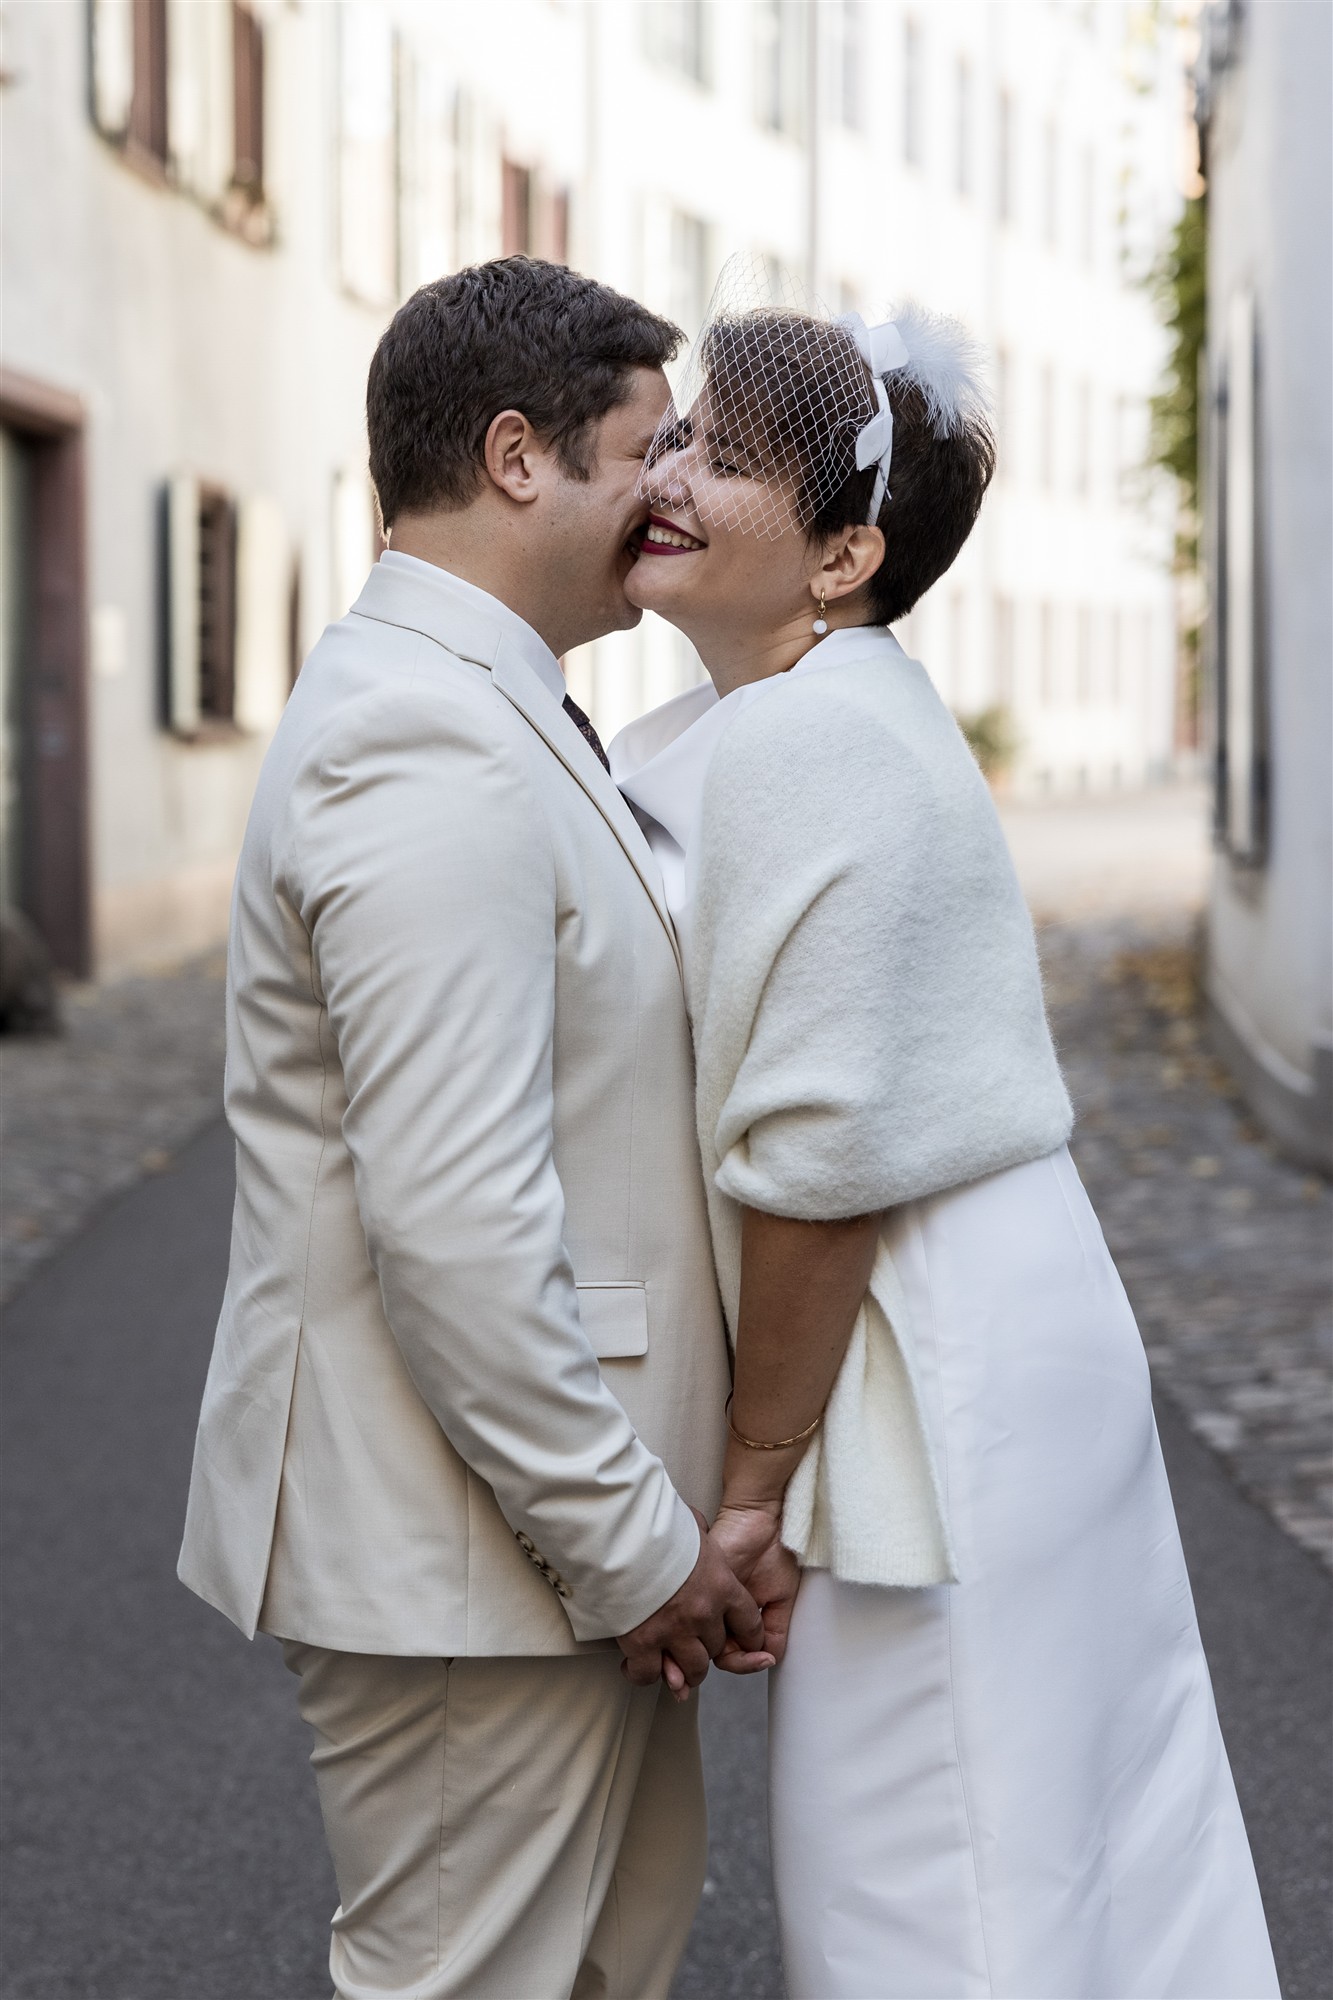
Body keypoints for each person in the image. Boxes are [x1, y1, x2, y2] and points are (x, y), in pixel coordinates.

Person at [610, 260, 1281, 2000]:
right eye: (672, 430)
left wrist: (744, 1501)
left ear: (843, 555)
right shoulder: (833, 714)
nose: (667, 475)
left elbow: (818, 1176)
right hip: (1003, 1312)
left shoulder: (804, 743)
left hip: (927, 1345)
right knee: (1066, 1834)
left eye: (724, 457)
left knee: (933, 1868)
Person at [177, 257, 772, 2000]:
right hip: (474, 1558)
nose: (670, 497)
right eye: (643, 454)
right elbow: (454, 1225)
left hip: (535, 1546)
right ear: (518, 457)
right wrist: (636, 1547)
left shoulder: (496, 703)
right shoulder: (425, 739)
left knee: (608, 1961)